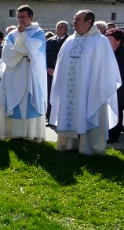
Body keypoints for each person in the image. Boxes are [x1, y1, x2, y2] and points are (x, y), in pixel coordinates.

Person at [49, 10, 121, 155]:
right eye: (74, 19)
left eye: (78, 19)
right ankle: (69, 144)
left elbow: (106, 68)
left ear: (89, 22)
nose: (74, 22)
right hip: (70, 89)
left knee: (90, 113)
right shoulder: (69, 41)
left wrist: (97, 86)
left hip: (91, 89)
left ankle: (91, 148)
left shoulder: (100, 41)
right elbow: (61, 64)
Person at [0, 5, 47, 142]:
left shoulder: (38, 32)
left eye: (23, 17)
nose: (20, 20)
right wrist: (23, 50)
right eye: (18, 17)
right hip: (14, 71)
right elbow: (7, 52)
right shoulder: (12, 34)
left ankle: (31, 134)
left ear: (31, 17)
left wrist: (23, 36)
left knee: (29, 101)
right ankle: (15, 134)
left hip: (31, 72)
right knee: (13, 99)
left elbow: (34, 49)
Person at [46, 21, 68, 122]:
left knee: (62, 96)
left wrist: (57, 70)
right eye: (57, 27)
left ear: (66, 29)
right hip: (49, 73)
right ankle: (50, 117)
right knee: (50, 94)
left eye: (61, 27)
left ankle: (61, 118)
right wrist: (47, 68)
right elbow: (44, 55)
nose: (59, 29)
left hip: (63, 74)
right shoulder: (50, 41)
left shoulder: (69, 41)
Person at [106, 28, 124, 143]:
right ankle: (110, 134)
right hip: (111, 88)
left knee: (117, 110)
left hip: (120, 89)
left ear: (118, 41)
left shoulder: (122, 54)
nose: (107, 42)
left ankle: (114, 136)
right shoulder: (108, 53)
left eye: (110, 39)